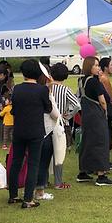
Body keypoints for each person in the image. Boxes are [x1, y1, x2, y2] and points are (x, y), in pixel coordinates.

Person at [6, 60, 54, 207]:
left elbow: (13, 110)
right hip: (35, 131)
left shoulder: (17, 89)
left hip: (19, 130)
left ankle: (13, 195)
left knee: (16, 163)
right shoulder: (42, 90)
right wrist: (49, 90)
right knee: (33, 164)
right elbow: (48, 108)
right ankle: (28, 199)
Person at [78, 56, 112, 186]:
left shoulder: (81, 80)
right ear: (89, 67)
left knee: (87, 142)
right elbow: (103, 100)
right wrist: (105, 110)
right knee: (101, 142)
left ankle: (83, 172)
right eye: (96, 65)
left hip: (86, 116)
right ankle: (101, 175)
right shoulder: (94, 82)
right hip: (96, 115)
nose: (98, 68)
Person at [32, 65, 62, 202]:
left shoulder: (29, 90)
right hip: (46, 131)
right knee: (43, 162)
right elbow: (55, 114)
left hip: (33, 130)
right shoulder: (45, 93)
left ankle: (31, 189)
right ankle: (40, 191)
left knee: (34, 162)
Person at [49, 62, 81, 188]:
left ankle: (44, 180)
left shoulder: (47, 87)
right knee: (59, 152)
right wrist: (69, 115)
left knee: (46, 153)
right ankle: (58, 182)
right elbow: (77, 105)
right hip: (61, 124)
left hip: (47, 124)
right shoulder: (65, 89)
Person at [99, 56, 112, 159]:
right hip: (106, 109)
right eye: (111, 65)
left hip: (106, 108)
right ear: (105, 67)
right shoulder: (104, 79)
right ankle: (105, 159)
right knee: (107, 134)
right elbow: (106, 96)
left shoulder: (104, 78)